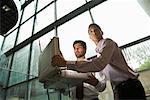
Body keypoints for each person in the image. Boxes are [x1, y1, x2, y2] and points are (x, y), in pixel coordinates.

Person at [52, 23, 146, 100]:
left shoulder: (108, 43)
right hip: (119, 89)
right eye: (91, 31)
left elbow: (99, 70)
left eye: (96, 30)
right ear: (89, 37)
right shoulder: (95, 58)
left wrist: (66, 63)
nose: (93, 32)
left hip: (129, 87)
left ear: (102, 32)